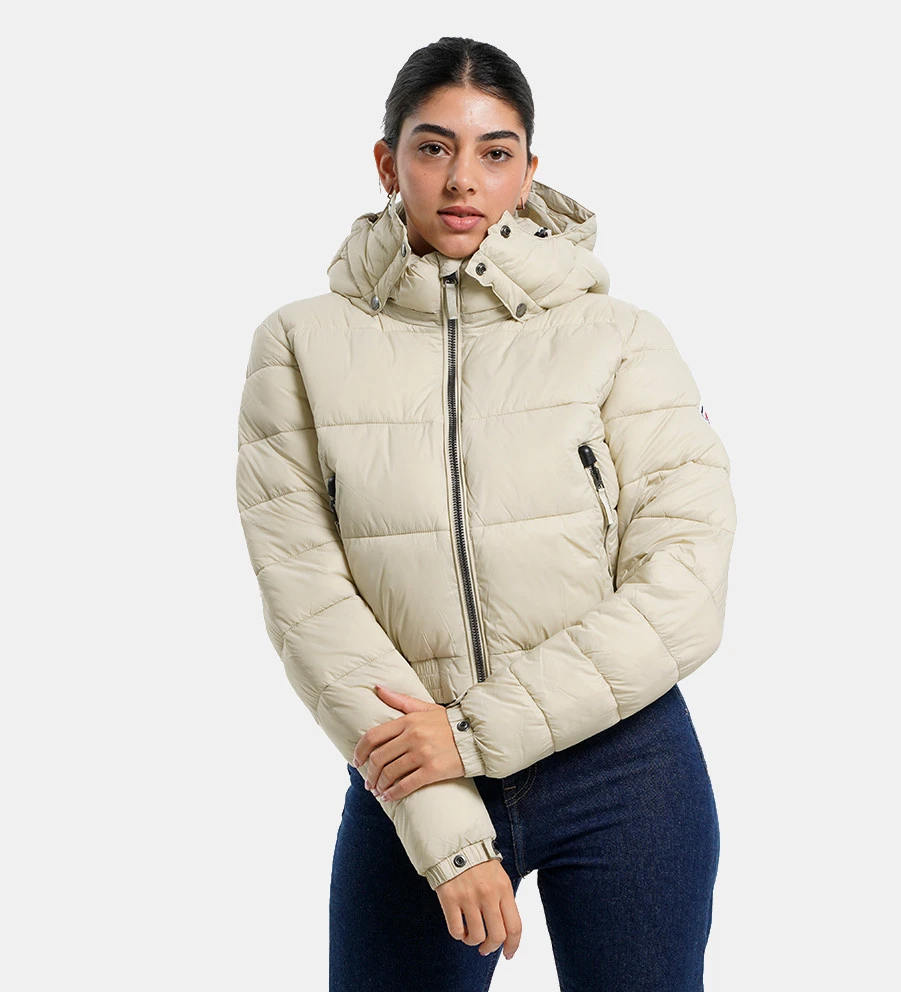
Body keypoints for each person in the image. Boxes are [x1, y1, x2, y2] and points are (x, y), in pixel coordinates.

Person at [235, 35, 737, 992]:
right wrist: (446, 824)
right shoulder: (300, 345)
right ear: (388, 163)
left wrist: (466, 733)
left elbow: (684, 589)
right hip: (410, 780)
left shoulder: (619, 339)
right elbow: (309, 603)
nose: (463, 179)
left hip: (625, 771)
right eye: (434, 147)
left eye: (495, 152)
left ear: (528, 171)